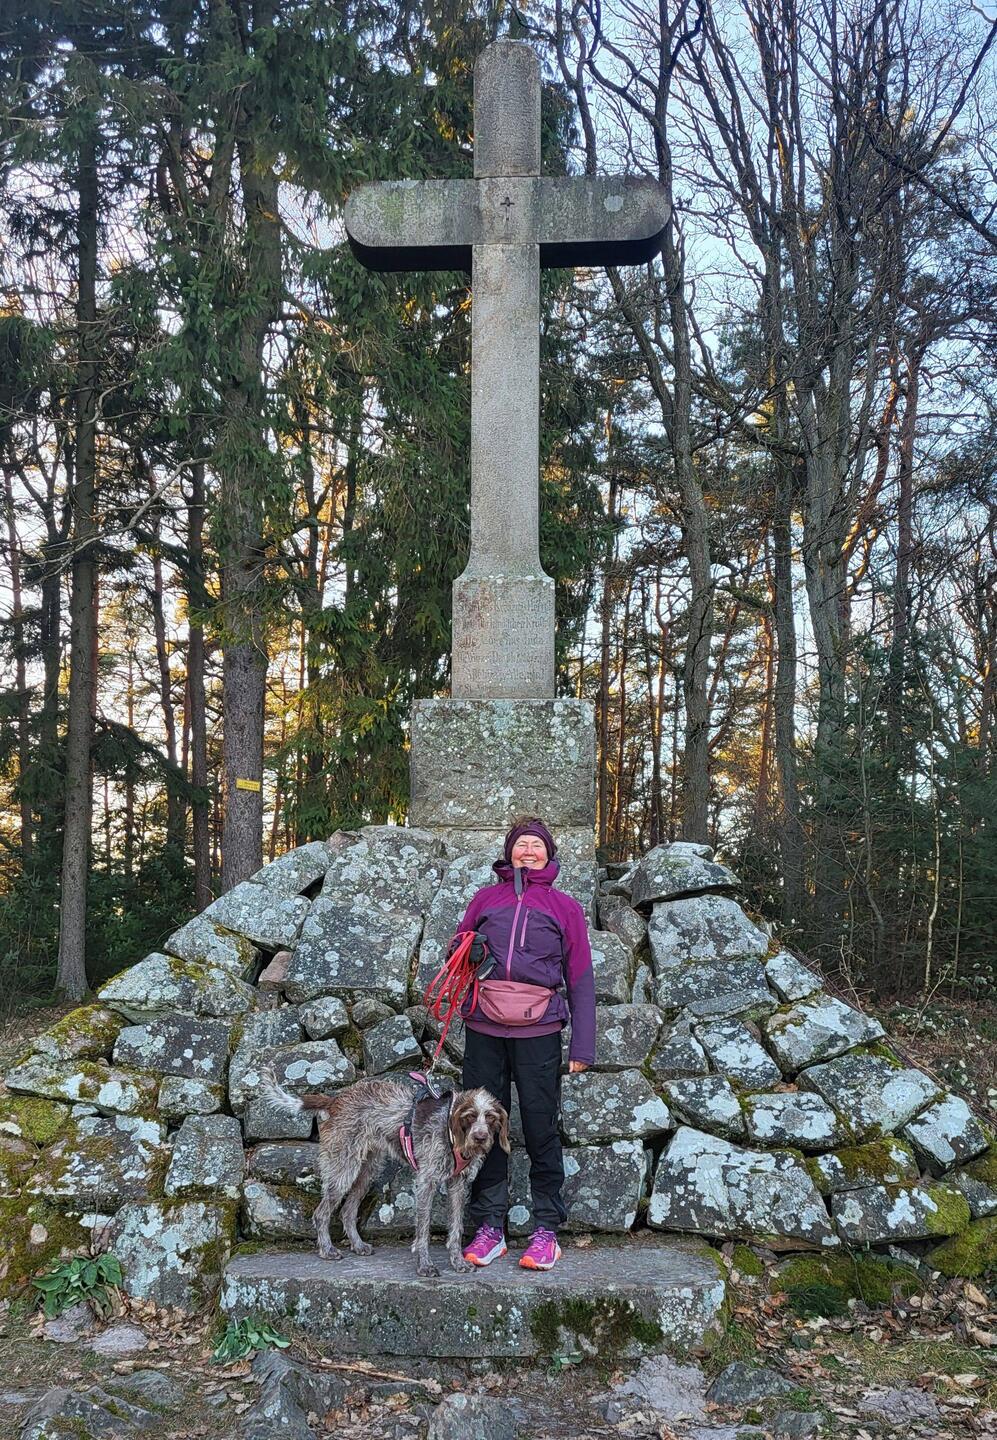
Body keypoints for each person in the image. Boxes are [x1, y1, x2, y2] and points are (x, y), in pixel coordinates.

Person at [452, 816, 595, 1271]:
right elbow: (456, 951)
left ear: (548, 854)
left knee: (540, 1127)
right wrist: (467, 949)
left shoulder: (565, 908)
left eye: (536, 845)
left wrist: (582, 1047)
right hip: (484, 1027)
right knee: (482, 1128)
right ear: (509, 852)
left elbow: (581, 979)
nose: (528, 851)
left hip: (541, 1031)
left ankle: (546, 1230)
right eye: (521, 845)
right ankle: (489, 1226)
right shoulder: (485, 899)